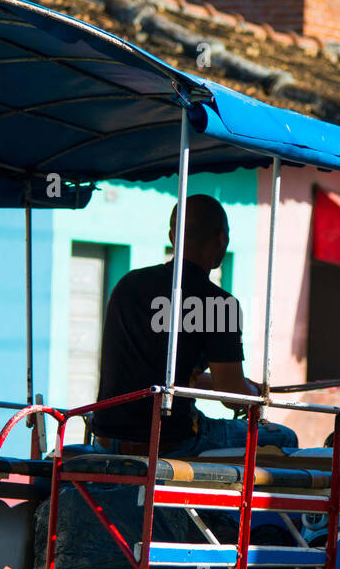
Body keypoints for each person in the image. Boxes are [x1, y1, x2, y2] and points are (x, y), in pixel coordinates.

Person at [89, 194, 299, 457]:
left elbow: (175, 377)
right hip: (170, 442)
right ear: (222, 239)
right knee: (284, 438)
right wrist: (250, 393)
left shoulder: (128, 285)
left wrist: (238, 383)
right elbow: (231, 396)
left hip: (107, 440)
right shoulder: (219, 304)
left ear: (172, 236)